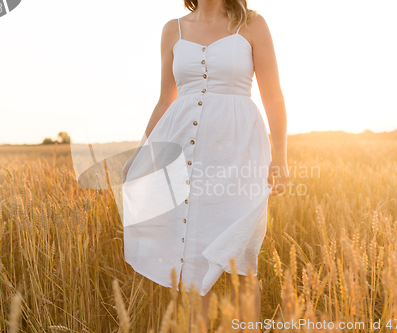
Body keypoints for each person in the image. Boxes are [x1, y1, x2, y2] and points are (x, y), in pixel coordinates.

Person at [122, 0, 289, 328]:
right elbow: (165, 99)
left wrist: (280, 155)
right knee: (189, 252)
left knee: (242, 255)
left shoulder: (252, 24)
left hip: (240, 153)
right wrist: (142, 151)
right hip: (181, 148)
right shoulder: (173, 28)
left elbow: (273, 95)